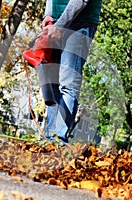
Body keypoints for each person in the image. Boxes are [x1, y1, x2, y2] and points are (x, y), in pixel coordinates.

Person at [37, 0, 103, 144]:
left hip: (80, 22)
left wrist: (59, 27)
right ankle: (48, 139)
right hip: (56, 23)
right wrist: (49, 15)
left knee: (68, 82)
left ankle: (58, 139)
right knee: (52, 81)